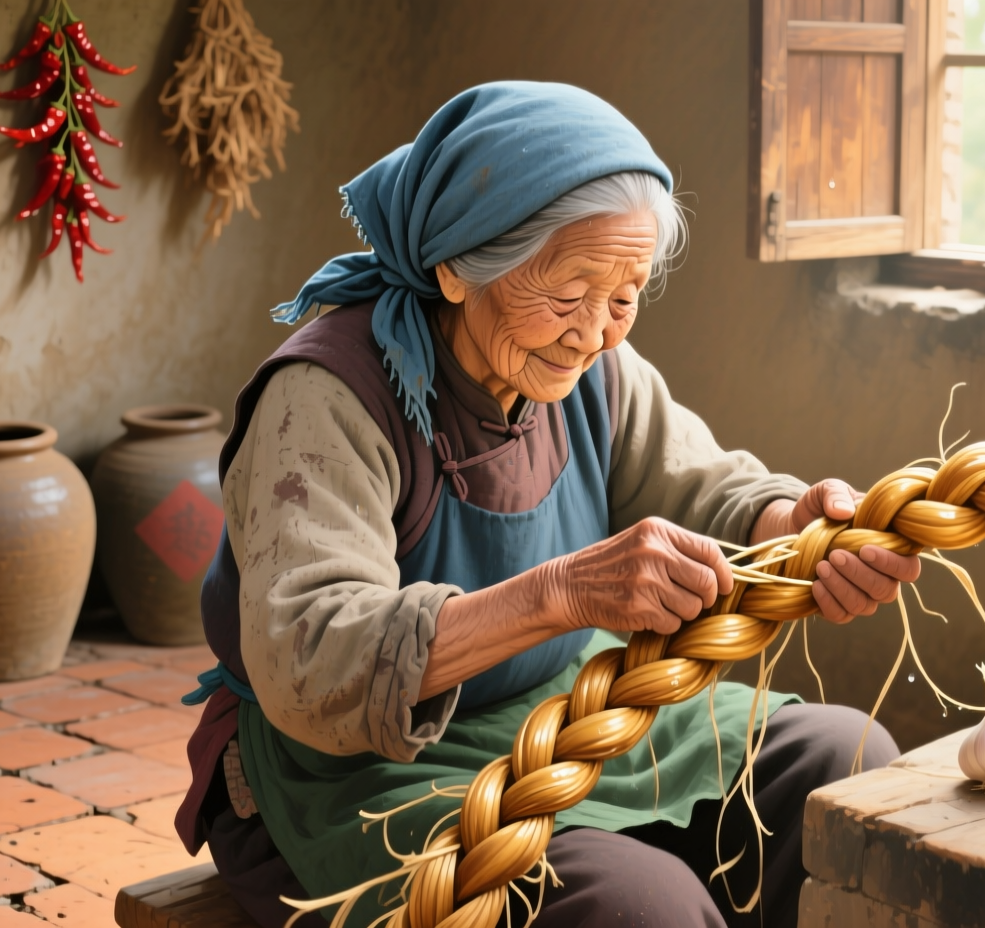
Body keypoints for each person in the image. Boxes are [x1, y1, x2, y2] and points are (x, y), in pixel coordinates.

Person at [174, 82, 920, 928]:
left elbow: (704, 484)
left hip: (561, 712)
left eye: (626, 295)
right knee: (643, 910)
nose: (597, 331)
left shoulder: (592, 374)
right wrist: (559, 595)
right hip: (362, 771)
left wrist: (800, 526)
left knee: (843, 761)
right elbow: (312, 660)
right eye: (568, 296)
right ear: (457, 267)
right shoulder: (326, 399)